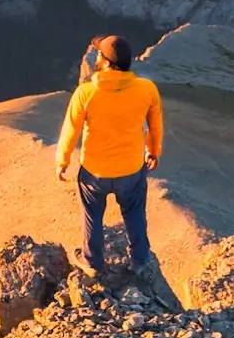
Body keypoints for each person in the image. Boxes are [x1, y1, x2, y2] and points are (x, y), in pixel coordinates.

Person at [54, 34, 164, 276]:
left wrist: (63, 161)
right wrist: (153, 152)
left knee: (92, 215)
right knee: (135, 213)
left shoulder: (86, 92)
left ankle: (93, 262)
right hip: (132, 168)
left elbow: (70, 128)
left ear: (104, 61)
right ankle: (140, 259)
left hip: (94, 170)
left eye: (99, 54)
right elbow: (155, 126)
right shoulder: (147, 89)